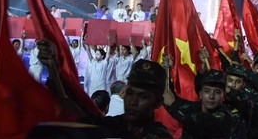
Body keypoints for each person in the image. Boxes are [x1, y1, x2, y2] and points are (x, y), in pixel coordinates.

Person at [36, 39, 172, 138]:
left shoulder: (158, 135)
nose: (133, 101)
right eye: (130, 93)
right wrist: (53, 67)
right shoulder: (116, 124)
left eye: (143, 96)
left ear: (158, 102)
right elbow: (75, 111)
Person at [163, 67, 234, 139]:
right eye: (207, 91)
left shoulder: (225, 116)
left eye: (217, 92)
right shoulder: (194, 108)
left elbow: (199, 123)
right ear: (200, 94)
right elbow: (170, 98)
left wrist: (173, 105)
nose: (211, 96)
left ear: (224, 96)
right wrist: (167, 72)